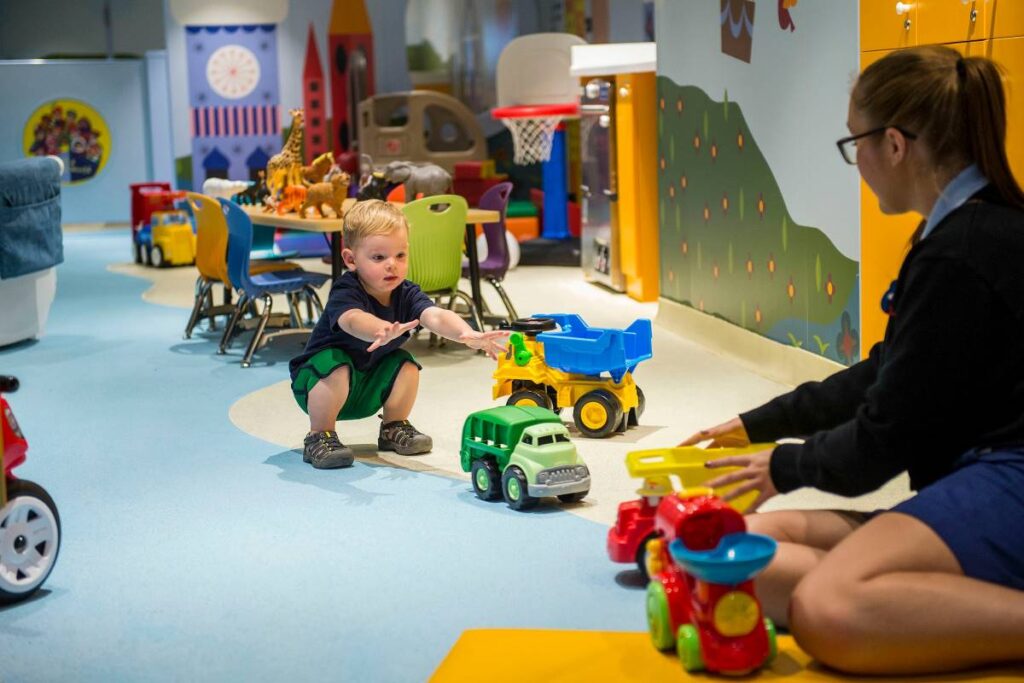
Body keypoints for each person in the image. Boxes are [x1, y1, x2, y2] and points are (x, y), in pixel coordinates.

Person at [683, 45, 1024, 675]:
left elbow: (883, 442)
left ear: (894, 145)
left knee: (825, 608)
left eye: (854, 144)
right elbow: (888, 370)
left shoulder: (966, 249)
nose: (857, 163)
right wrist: (759, 423)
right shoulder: (960, 235)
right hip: (983, 476)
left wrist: (781, 468)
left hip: (1009, 478)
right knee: (751, 553)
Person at [289, 200, 508, 469]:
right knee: (337, 364)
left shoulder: (406, 292)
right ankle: (319, 436)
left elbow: (434, 315)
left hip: (366, 384)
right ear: (350, 259)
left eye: (400, 255)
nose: (392, 265)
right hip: (316, 383)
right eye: (379, 258)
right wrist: (377, 329)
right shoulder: (346, 290)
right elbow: (351, 320)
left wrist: (466, 332)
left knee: (405, 363)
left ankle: (393, 427)